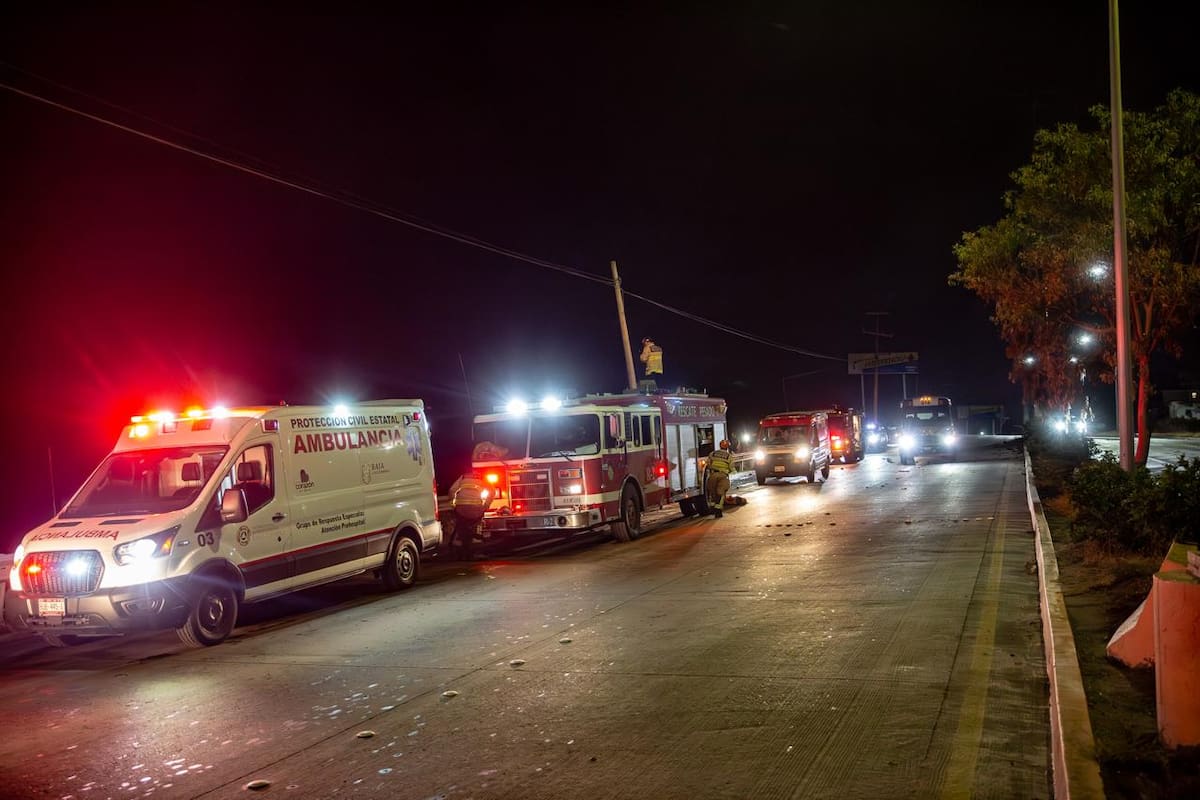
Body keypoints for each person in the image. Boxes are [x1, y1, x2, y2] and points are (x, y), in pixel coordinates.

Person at [448, 472, 491, 560]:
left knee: (461, 528)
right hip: (476, 510)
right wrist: (486, 505)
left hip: (461, 510)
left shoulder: (462, 478)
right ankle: (475, 545)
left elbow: (452, 490)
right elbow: (492, 491)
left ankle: (460, 549)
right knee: (476, 527)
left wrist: (453, 505)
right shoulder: (481, 479)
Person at [705, 439, 734, 518]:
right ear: (727, 447)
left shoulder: (712, 453)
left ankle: (712, 508)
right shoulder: (729, 456)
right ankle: (718, 511)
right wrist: (731, 472)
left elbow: (708, 464)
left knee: (712, 492)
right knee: (720, 493)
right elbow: (732, 468)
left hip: (713, 475)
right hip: (723, 476)